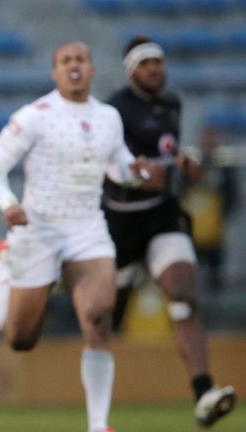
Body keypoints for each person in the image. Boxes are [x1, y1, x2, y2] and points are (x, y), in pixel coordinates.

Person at [0, 41, 155, 432]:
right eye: (66, 60)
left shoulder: (108, 117)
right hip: (38, 227)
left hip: (87, 226)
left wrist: (136, 172)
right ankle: (5, 268)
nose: (74, 66)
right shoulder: (35, 115)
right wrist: (8, 203)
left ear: (91, 69)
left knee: (98, 316)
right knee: (20, 339)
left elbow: (118, 166)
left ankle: (98, 424)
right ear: (54, 72)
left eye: (81, 59)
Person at [104, 35, 236, 427]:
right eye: (145, 64)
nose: (154, 69)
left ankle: (204, 392)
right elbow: (109, 164)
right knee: (105, 316)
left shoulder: (172, 104)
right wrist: (135, 175)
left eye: (158, 62)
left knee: (182, 293)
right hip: (121, 224)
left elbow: (171, 157)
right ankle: (98, 408)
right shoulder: (114, 110)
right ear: (131, 70)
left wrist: (187, 167)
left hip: (161, 216)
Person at [181, 126, 240, 294]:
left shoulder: (224, 167)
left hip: (214, 232)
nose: (209, 141)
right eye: (206, 137)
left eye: (212, 137)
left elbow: (232, 196)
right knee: (188, 280)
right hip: (191, 232)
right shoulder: (189, 165)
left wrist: (222, 215)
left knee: (215, 279)